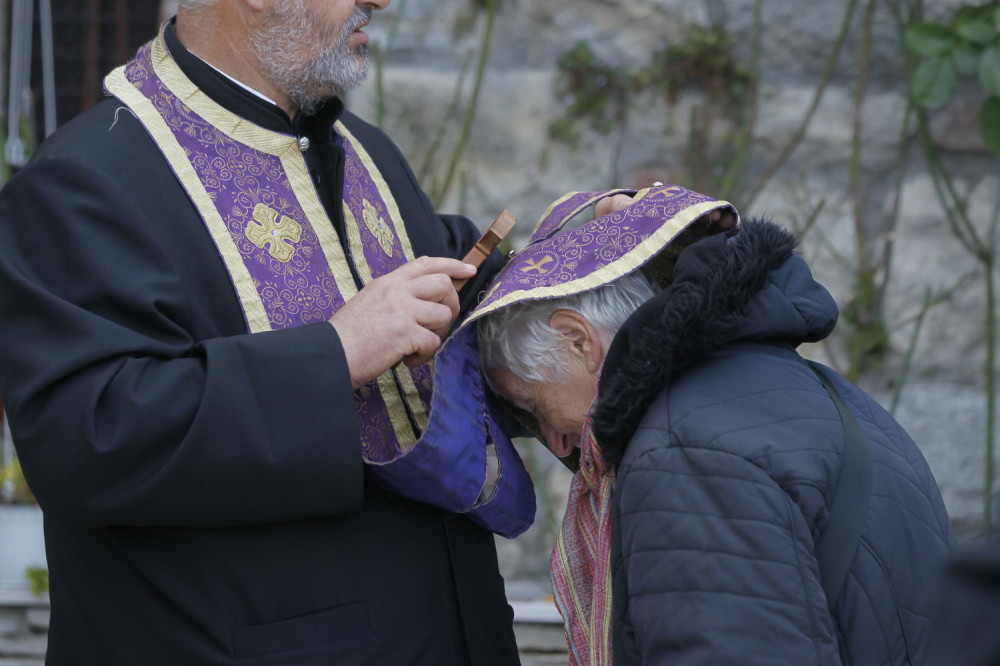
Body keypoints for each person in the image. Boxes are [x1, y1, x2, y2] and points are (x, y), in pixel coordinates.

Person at [0, 1, 534, 664]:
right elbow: (89, 440)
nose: (381, 0)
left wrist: (583, 276)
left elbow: (456, 308)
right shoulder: (85, 179)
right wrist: (335, 354)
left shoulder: (365, 151)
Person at [469, 185, 956, 664]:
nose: (555, 442)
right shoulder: (815, 392)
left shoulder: (684, 453)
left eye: (533, 405)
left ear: (577, 339)